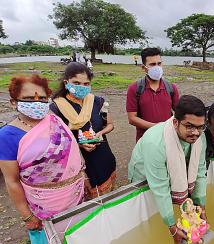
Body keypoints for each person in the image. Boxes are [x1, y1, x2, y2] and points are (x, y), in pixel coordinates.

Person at [0, 75, 85, 231]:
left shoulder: (55, 121)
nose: (37, 102)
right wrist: (27, 215)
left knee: (79, 233)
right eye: (29, 98)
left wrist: (84, 178)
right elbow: (12, 180)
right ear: (14, 102)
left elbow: (73, 154)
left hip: (75, 194)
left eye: (42, 98)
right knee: (54, 243)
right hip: (44, 204)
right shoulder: (7, 136)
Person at [128, 95, 207, 244]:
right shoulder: (155, 142)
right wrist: (172, 227)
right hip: (144, 174)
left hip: (171, 172)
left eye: (200, 127)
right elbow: (159, 187)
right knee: (148, 211)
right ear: (176, 122)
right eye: (189, 126)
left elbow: (200, 171)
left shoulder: (200, 138)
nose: (195, 133)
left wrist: (201, 207)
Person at [50, 62, 116, 199]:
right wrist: (79, 144)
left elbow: (110, 124)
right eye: (76, 83)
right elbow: (55, 141)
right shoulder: (57, 108)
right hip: (79, 164)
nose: (82, 87)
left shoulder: (98, 102)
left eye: (86, 84)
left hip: (103, 158)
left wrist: (101, 133)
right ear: (66, 82)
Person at [126, 47, 180, 142]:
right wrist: (157, 127)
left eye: (159, 63)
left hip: (168, 137)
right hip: (145, 139)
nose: (157, 67)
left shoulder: (171, 88)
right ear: (144, 67)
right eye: (152, 64)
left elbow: (180, 113)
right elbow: (132, 118)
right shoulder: (134, 89)